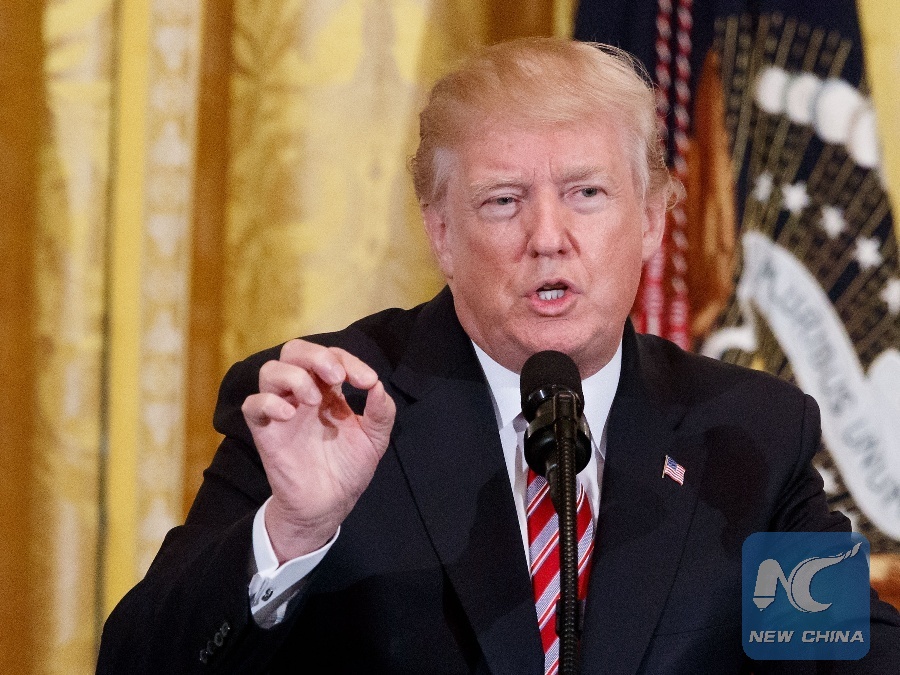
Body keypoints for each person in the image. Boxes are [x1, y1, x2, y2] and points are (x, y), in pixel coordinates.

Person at [97, 38, 900, 673]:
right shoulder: (333, 405)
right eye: (504, 200)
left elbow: (852, 655)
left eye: (587, 193)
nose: (548, 237)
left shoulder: (746, 437)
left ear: (654, 219)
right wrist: (294, 529)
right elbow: (140, 663)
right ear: (442, 232)